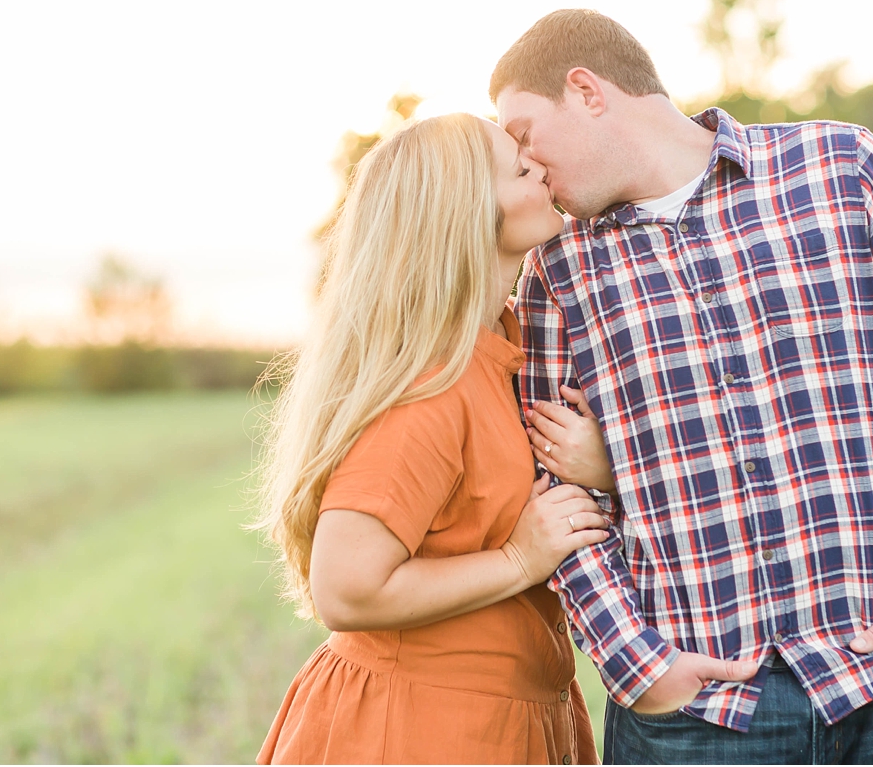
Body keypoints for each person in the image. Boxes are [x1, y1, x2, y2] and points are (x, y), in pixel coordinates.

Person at [494, 10, 873, 765]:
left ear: (586, 90)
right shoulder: (556, 273)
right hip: (695, 715)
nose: (526, 165)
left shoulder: (843, 168)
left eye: (523, 131)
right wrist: (641, 667)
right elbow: (552, 489)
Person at [252, 113, 611, 765]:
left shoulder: (502, 348)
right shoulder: (433, 385)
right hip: (419, 728)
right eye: (522, 170)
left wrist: (606, 470)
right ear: (467, 214)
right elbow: (346, 587)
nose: (544, 172)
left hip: (504, 713)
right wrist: (518, 562)